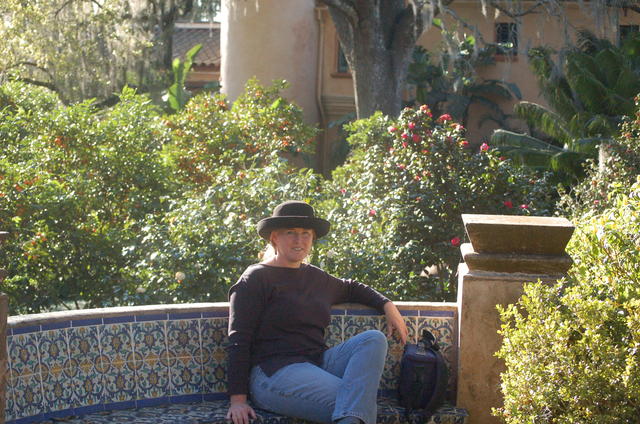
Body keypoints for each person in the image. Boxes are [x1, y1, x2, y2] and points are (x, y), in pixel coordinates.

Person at [225, 200, 408, 424]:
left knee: (373, 340)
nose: (299, 240)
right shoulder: (256, 278)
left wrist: (387, 305)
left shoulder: (316, 277)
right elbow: (239, 339)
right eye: (290, 232)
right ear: (274, 238)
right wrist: (238, 400)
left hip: (318, 363)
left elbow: (352, 288)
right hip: (274, 374)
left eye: (306, 233)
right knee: (355, 401)